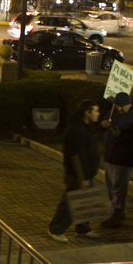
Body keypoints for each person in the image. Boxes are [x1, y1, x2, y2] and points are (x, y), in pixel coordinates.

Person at [48, 100, 102, 243]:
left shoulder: (84, 127)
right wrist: (83, 178)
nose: (98, 114)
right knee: (70, 203)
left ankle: (83, 228)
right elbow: (77, 155)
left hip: (85, 174)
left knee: (84, 201)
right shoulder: (76, 130)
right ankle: (56, 229)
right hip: (77, 174)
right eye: (96, 111)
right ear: (87, 113)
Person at [100, 92, 133, 228]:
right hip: (110, 156)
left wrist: (122, 135)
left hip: (123, 158)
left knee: (118, 189)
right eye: (117, 106)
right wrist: (103, 124)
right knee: (111, 187)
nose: (119, 109)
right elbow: (105, 123)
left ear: (129, 104)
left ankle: (116, 216)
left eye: (122, 106)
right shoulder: (114, 111)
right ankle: (119, 211)